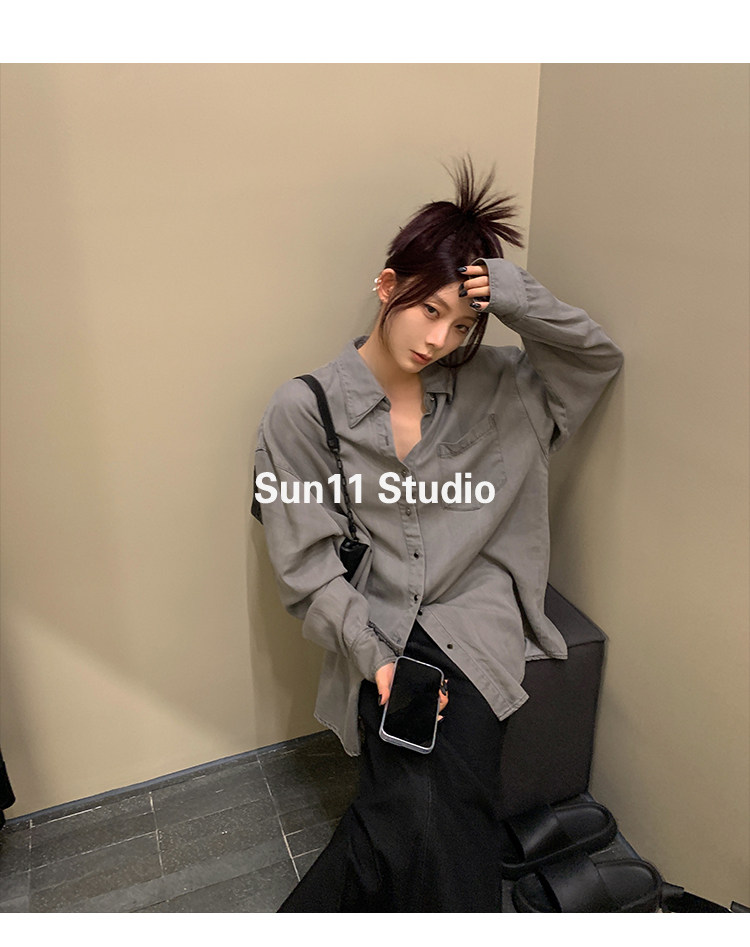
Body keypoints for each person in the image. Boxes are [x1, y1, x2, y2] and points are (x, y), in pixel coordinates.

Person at [251, 158, 623, 912]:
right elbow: (307, 570)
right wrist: (376, 658)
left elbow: (595, 361)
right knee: (419, 807)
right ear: (388, 286)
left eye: (462, 324)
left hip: (474, 618)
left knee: (418, 798)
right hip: (377, 622)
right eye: (428, 310)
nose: (440, 338)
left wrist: (511, 295)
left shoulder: (504, 387)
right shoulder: (302, 411)